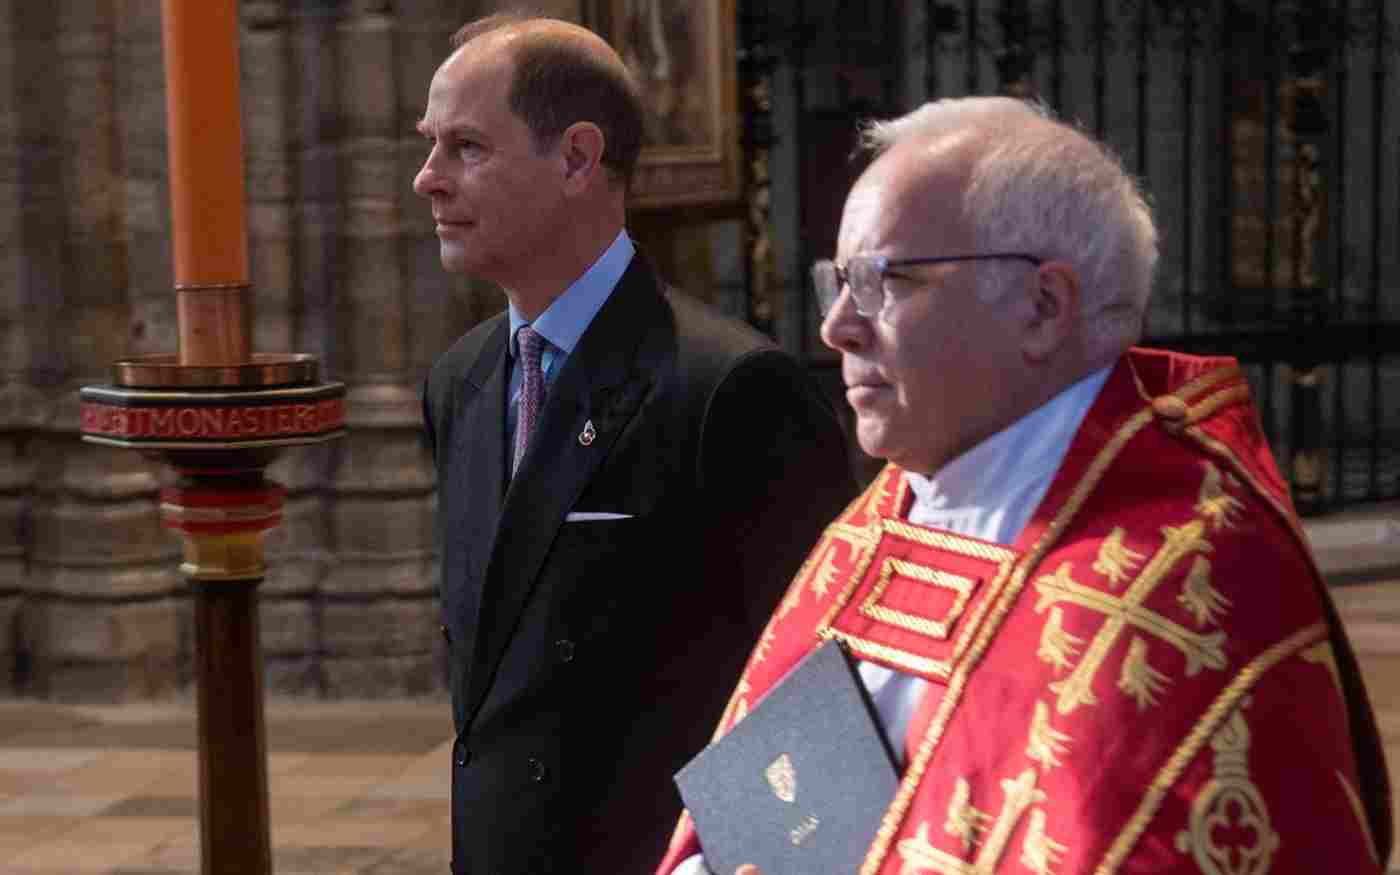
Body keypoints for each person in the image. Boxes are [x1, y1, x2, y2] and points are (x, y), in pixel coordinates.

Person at [658, 97, 1391, 875]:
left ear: (1043, 308)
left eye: (884, 280)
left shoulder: (1187, 581)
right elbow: (761, 818)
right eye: (836, 280)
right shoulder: (893, 509)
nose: (835, 325)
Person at [413, 13, 855, 875]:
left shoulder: (733, 389)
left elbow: (810, 713)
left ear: (578, 158)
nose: (427, 178)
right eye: (430, 145)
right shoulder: (458, 381)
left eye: (467, 146)